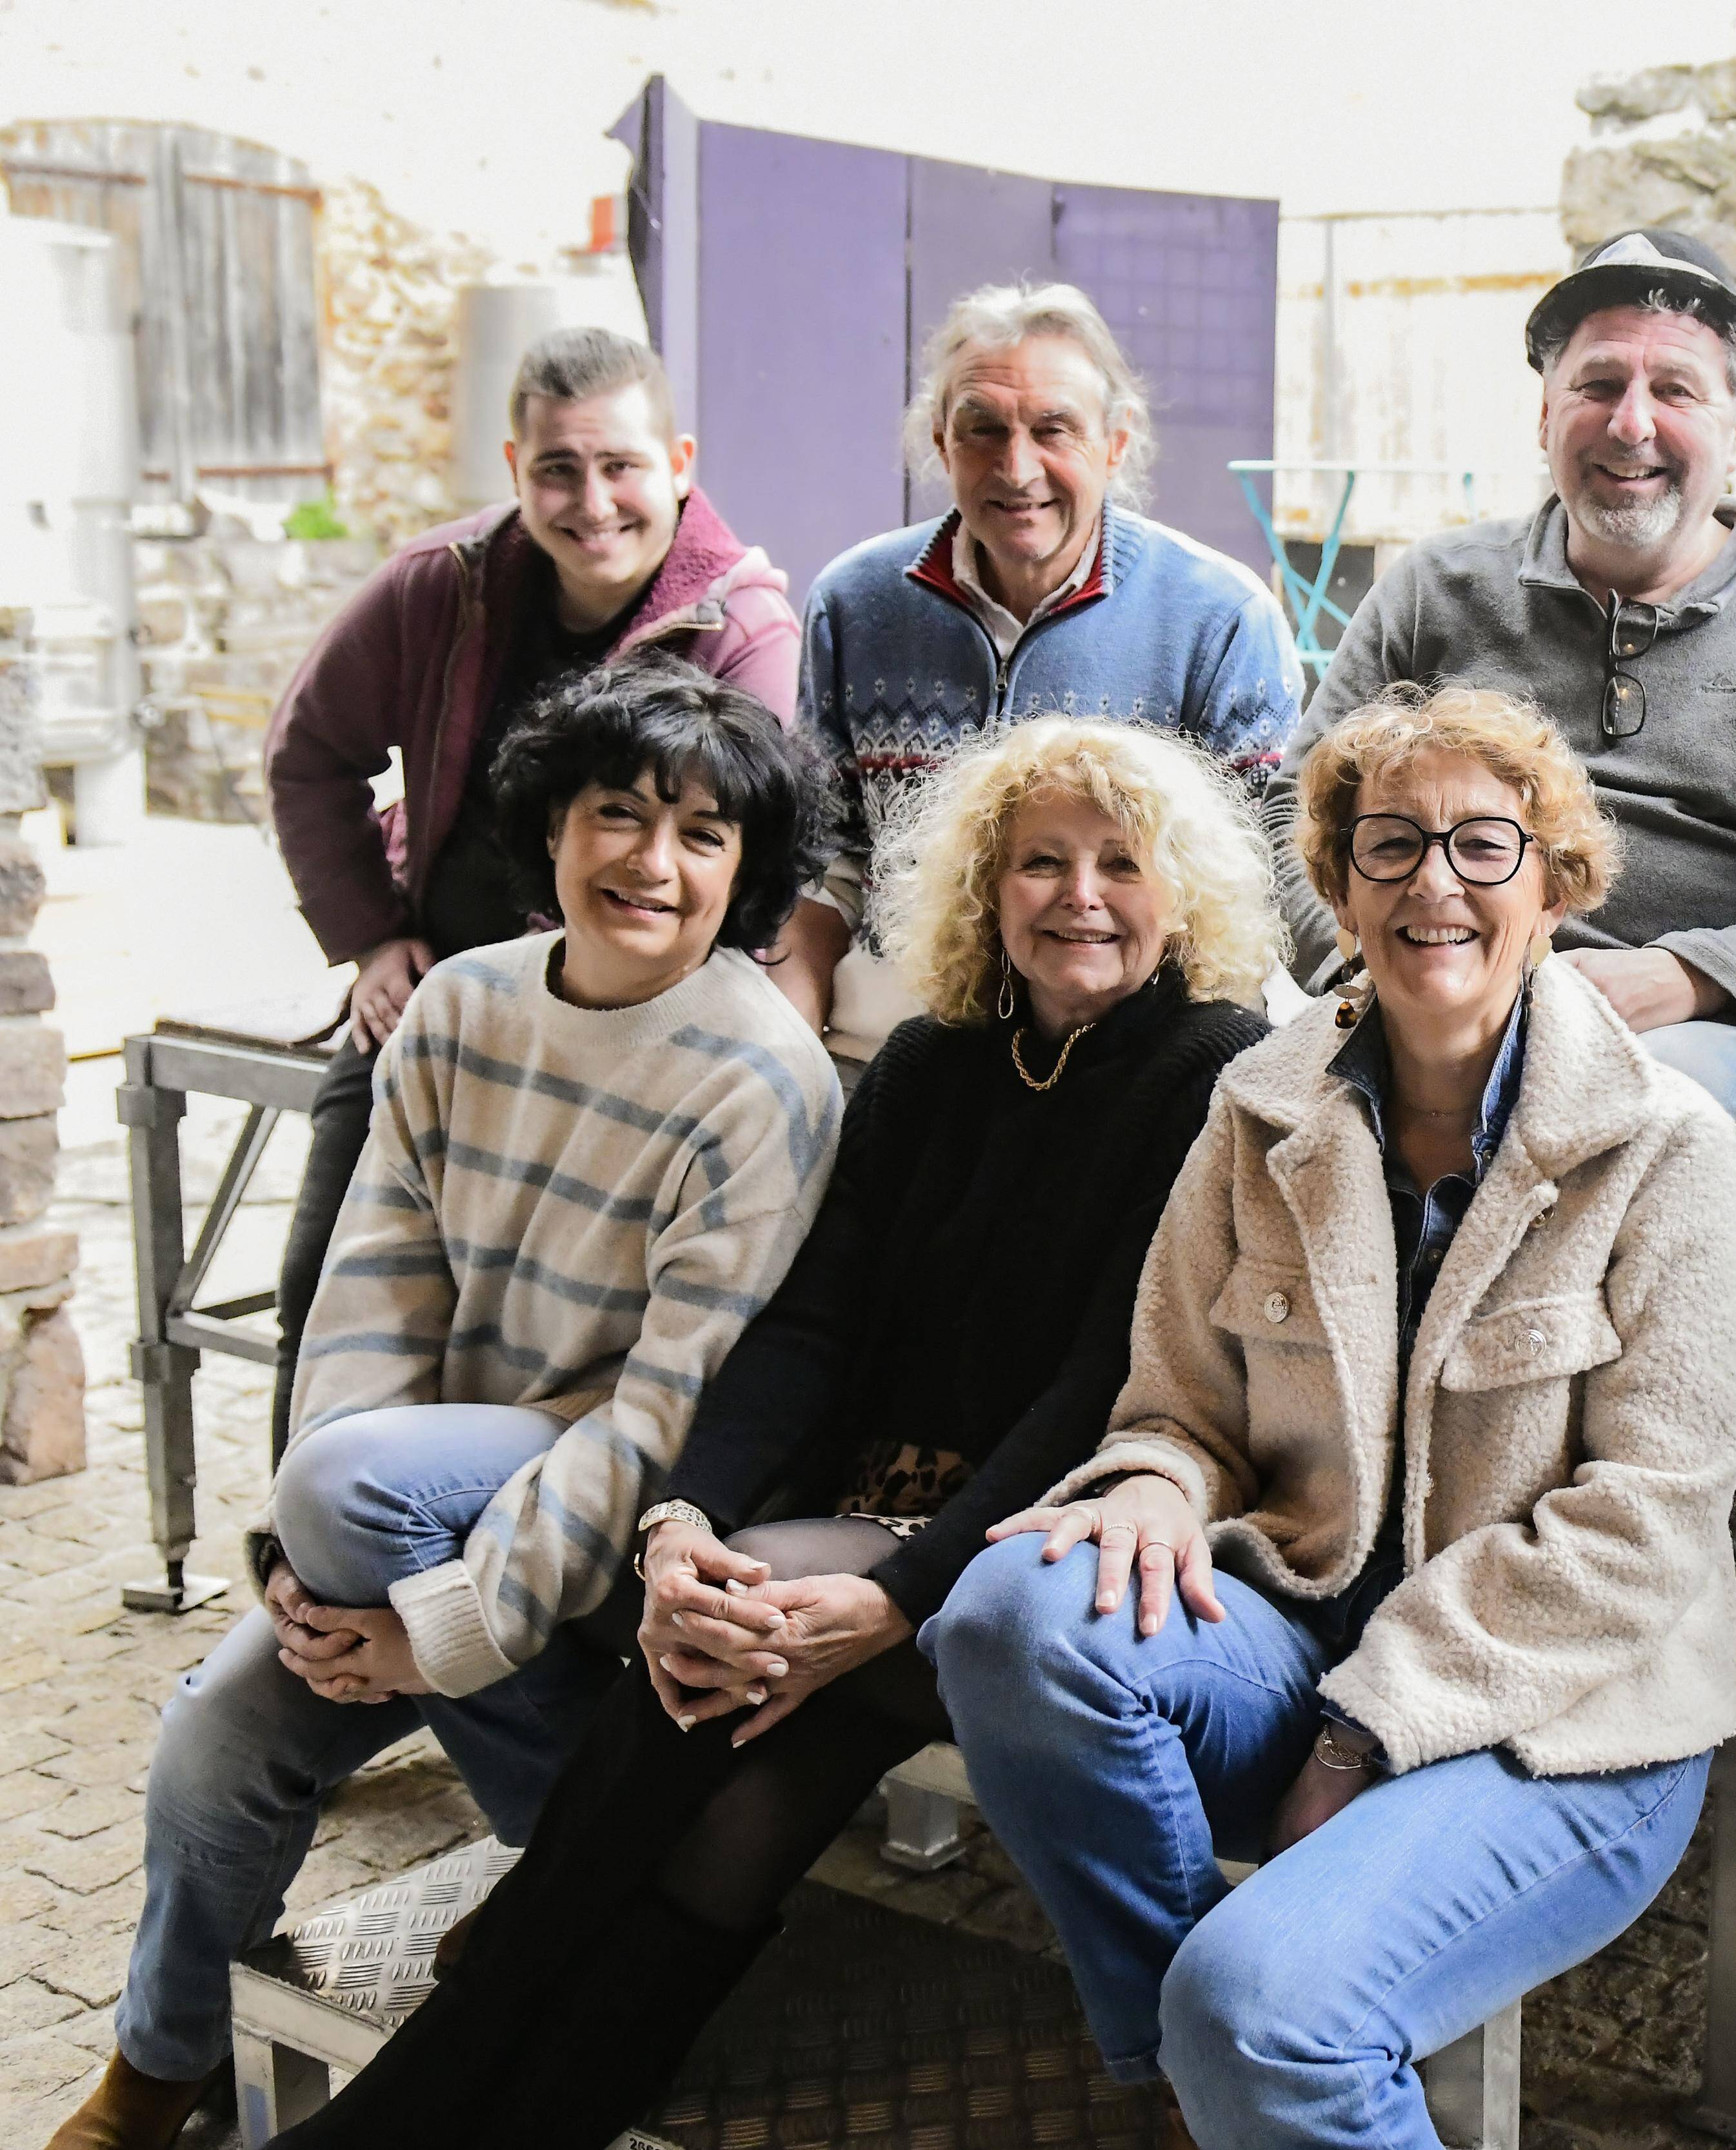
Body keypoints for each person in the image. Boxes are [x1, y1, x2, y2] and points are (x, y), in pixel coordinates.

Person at [263, 717, 1277, 2150]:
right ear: (987, 884)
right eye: (1040, 860)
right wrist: (681, 1519)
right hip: (847, 1555)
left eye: (1121, 862)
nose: (1080, 895)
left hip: (1017, 1573)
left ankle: (440, 2064)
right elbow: (805, 1328)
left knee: (711, 1660)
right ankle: (533, 2090)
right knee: (727, 1818)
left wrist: (886, 1595)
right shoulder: (931, 1063)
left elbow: (1103, 1385)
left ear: (1182, 892)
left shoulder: (1216, 1069)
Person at [923, 686, 1736, 2149]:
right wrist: (1154, 1484)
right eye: (1392, 845)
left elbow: (1646, 1526)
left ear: (1556, 884)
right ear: (1338, 882)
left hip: (1557, 1713)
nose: (1436, 882)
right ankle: (1187, 2083)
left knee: (1266, 2011)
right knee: (1005, 1617)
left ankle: (1231, 2050)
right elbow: (1176, 1401)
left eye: (1484, 845)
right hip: (1296, 1630)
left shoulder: (1661, 1143)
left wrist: (1366, 1728)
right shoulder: (1257, 1113)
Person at [54, 662, 838, 2150]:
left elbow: (663, 1416)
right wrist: (319, 1569)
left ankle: (563, 1877)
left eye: (702, 835)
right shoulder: (462, 1007)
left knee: (350, 1499)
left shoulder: (764, 1080)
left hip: (602, 1514)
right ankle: (161, 2073)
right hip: (405, 1497)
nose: (652, 864)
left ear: (744, 871)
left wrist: (446, 1627)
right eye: (618, 813)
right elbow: (373, 1298)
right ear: (551, 826)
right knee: (219, 1738)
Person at [261, 325, 808, 1453]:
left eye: (621, 466)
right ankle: (303, 1582)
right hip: (423, 1005)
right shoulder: (440, 589)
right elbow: (308, 751)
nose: (592, 500)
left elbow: (727, 855)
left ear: (682, 462)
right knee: (327, 1290)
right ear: (515, 468)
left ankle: (477, 1590)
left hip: (616, 1030)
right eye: (558, 469)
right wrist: (372, 939)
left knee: (539, 1341)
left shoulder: (744, 631)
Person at [1268, 230, 1736, 1203]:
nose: (1631, 425)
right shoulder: (1435, 590)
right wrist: (1365, 965)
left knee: (1630, 1138)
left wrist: (1687, 976)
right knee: (1251, 1109)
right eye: (1598, 385)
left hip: (1691, 1039)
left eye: (1677, 391)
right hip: (1420, 989)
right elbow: (1293, 816)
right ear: (1546, 414)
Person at [786, 279, 1305, 1061]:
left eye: (1053, 430)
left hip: (1127, 1053)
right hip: (894, 1044)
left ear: (1115, 443)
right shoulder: (854, 604)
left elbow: (1260, 890)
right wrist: (790, 1054)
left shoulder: (1218, 617)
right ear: (939, 442)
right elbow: (820, 865)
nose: (1016, 468)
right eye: (982, 429)